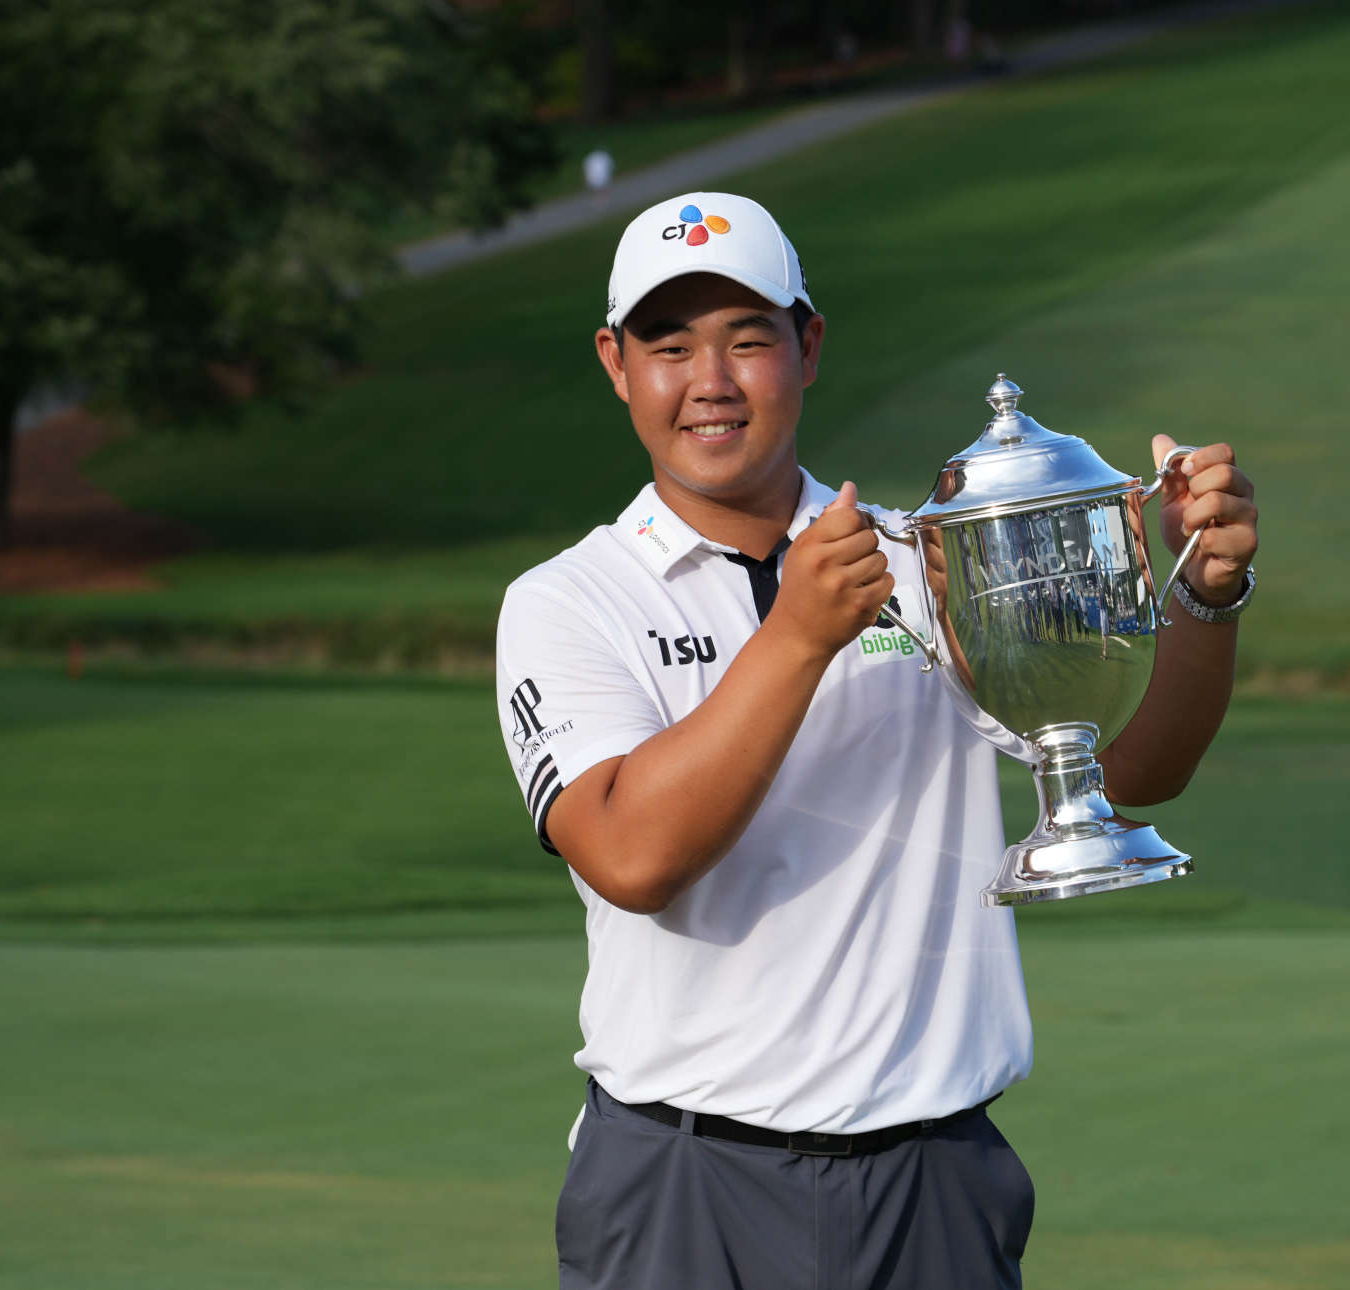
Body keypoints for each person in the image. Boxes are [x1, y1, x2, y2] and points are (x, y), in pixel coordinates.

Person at [494, 191, 1259, 1290]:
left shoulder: (927, 559)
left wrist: (1205, 595)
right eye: (670, 347)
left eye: (748, 341)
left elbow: (1132, 767)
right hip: (680, 1184)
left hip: (932, 1180)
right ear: (617, 364)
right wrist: (798, 636)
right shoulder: (568, 599)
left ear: (807, 348)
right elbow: (632, 857)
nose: (710, 383)